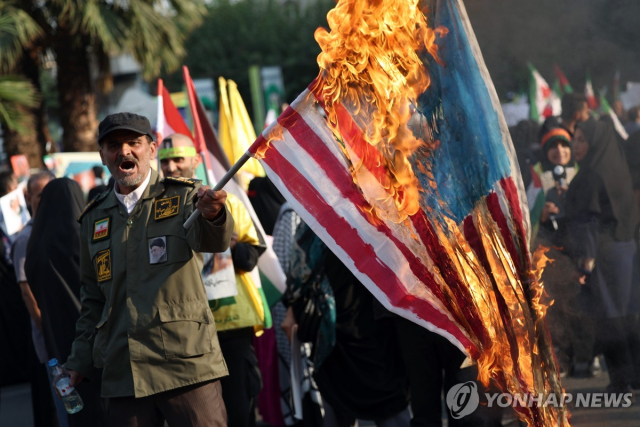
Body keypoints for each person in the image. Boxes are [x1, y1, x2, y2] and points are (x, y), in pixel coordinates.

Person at [62, 113, 234, 426]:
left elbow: (213, 241)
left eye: (134, 143)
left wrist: (212, 214)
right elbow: (92, 298)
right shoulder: (93, 218)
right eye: (114, 145)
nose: (124, 151)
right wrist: (79, 360)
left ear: (151, 150)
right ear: (103, 156)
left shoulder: (185, 195)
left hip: (186, 365)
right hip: (123, 370)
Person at [160, 133, 266, 427]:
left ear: (195, 161)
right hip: (183, 329)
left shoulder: (226, 201)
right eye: (165, 161)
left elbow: (251, 257)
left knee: (238, 408)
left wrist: (228, 241)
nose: (171, 167)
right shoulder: (154, 212)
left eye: (178, 159)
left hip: (230, 323)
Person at [282, 223, 410, 427]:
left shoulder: (362, 215)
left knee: (387, 406)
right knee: (353, 407)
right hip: (336, 340)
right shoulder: (316, 219)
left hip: (367, 336)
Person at [565, 118, 640, 392]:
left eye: (582, 140)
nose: (575, 145)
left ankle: (620, 381)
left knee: (608, 319)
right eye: (575, 138)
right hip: (624, 249)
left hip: (603, 253)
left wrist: (584, 260)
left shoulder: (591, 174)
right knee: (627, 315)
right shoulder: (616, 168)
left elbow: (588, 221)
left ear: (595, 142)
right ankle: (634, 375)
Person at [25, 177, 106, 426]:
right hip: (95, 343)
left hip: (58, 347)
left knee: (76, 413)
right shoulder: (84, 239)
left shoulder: (33, 247)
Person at [11, 171, 64, 426]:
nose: (45, 200)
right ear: (28, 197)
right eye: (39, 195)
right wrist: (48, 331)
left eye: (50, 193)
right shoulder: (25, 239)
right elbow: (27, 292)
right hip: (51, 341)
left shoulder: (68, 228)